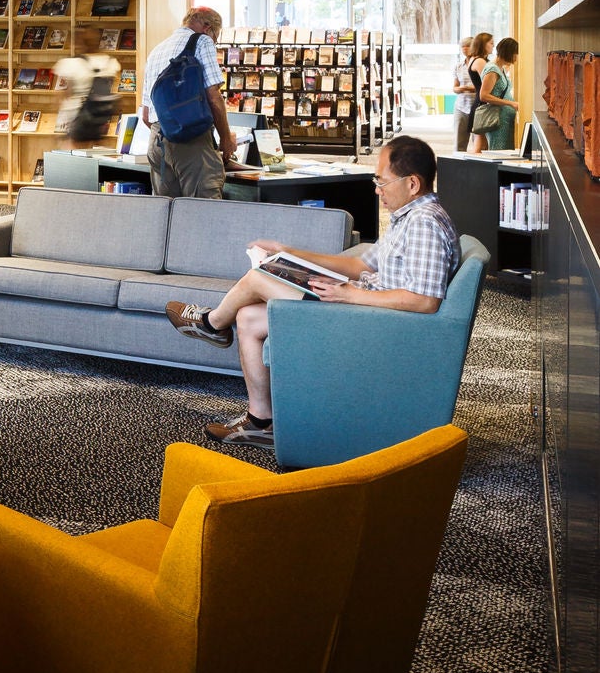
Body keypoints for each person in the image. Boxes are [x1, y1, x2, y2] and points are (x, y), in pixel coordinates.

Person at [163, 133, 461, 448]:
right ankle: (261, 422)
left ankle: (211, 324)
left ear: (412, 184)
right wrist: (288, 252)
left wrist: (350, 295)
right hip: (363, 307)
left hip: (372, 320)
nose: (376, 189)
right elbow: (363, 266)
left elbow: (425, 301)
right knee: (249, 318)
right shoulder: (408, 218)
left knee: (256, 278)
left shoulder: (424, 225)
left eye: (382, 181)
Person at [141, 6, 238, 198]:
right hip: (191, 141)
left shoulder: (157, 50)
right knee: (202, 212)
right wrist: (226, 139)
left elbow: (145, 115)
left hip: (157, 142)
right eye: (215, 37)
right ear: (207, 27)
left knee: (166, 213)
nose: (214, 42)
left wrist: (169, 130)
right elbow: (213, 96)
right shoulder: (202, 41)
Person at [469, 36, 519, 153]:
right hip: (498, 121)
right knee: (498, 152)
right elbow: (484, 96)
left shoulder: (499, 68)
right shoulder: (492, 69)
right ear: (509, 53)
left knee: (504, 153)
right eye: (515, 54)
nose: (516, 57)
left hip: (504, 120)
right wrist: (510, 103)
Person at [451, 34, 480, 152]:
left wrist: (467, 88)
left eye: (467, 46)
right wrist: (464, 88)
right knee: (459, 142)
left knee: (478, 143)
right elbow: (454, 88)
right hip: (461, 107)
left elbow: (483, 87)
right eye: (462, 46)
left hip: (478, 107)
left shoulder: (480, 64)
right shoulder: (458, 66)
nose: (464, 49)